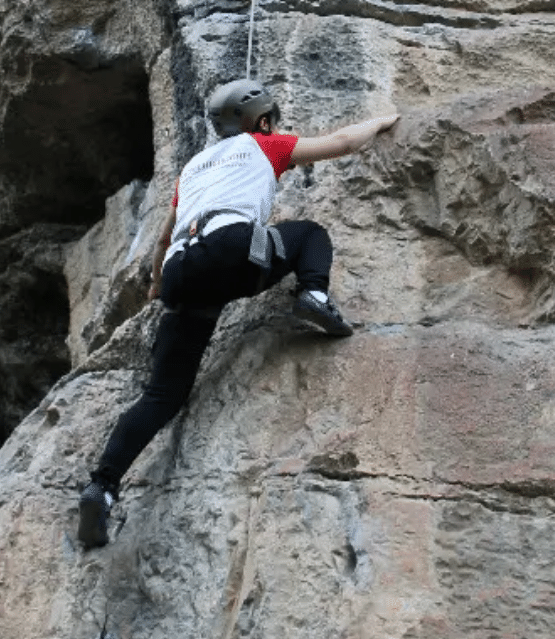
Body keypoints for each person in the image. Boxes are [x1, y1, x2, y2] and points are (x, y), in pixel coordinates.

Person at [77, 79, 399, 548]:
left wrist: (154, 285)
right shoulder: (264, 144)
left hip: (180, 272)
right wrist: (384, 119)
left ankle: (102, 487)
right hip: (230, 249)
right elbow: (343, 143)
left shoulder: (192, 168)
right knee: (310, 234)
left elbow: (164, 238)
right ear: (263, 121)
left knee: (162, 394)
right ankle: (313, 294)